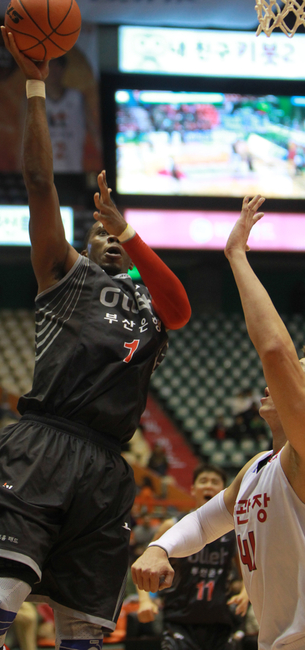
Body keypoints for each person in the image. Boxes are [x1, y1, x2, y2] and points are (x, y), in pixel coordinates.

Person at [0, 28, 192, 650]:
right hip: (44, 446)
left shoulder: (147, 301)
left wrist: (128, 232)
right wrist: (34, 87)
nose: (98, 237)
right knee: (2, 601)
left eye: (109, 235)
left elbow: (181, 309)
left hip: (106, 466)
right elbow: (39, 184)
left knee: (84, 633)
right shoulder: (63, 275)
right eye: (93, 232)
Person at [132, 194, 305, 649]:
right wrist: (160, 547)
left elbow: (274, 351)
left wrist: (236, 255)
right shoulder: (256, 467)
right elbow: (205, 525)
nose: (281, 379)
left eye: (299, 372)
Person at [137, 463, 248, 650]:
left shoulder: (234, 530)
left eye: (214, 482)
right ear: (193, 489)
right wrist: (144, 600)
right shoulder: (171, 525)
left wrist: (246, 593)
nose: (208, 485)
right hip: (179, 620)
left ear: (224, 491)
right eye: (203, 481)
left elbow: (248, 569)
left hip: (219, 622)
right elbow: (145, 563)